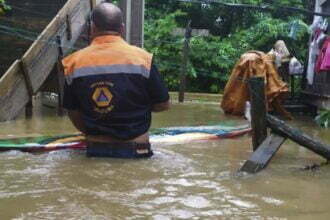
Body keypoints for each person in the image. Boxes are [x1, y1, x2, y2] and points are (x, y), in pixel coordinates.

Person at [62, 3, 170, 158]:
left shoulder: (73, 63)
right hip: (137, 149)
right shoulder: (143, 59)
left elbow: (73, 112)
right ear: (122, 29)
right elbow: (164, 104)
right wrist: (137, 108)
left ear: (92, 28)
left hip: (96, 150)